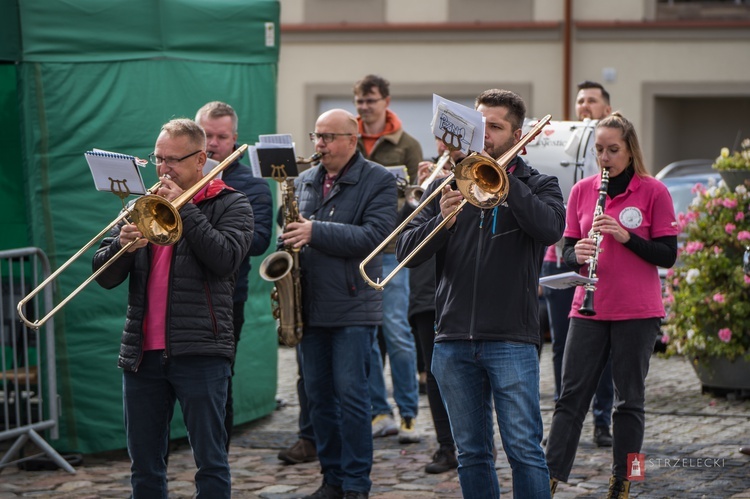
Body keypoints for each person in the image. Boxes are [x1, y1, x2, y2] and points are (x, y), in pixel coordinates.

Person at [397, 89, 565, 498]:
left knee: (524, 450)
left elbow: (550, 229)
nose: (484, 134)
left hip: (510, 338)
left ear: (517, 134)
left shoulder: (540, 184)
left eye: (495, 127)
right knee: (471, 453)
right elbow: (406, 253)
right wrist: (443, 221)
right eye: (479, 125)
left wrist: (504, 182)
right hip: (452, 339)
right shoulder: (445, 185)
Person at [93, 118, 253, 498]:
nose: (163, 169)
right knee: (144, 467)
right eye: (158, 159)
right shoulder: (141, 206)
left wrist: (185, 210)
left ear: (200, 160)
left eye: (173, 161)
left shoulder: (231, 202)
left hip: (200, 350)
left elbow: (226, 259)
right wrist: (122, 247)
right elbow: (103, 275)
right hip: (141, 354)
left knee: (210, 462)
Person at [545, 112, 678, 498]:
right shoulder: (582, 190)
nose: (605, 157)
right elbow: (566, 248)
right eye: (600, 150)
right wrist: (576, 253)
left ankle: (627, 478)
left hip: (637, 311)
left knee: (630, 401)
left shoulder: (653, 191)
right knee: (570, 398)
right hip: (588, 307)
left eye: (613, 150)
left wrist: (625, 236)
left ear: (630, 150)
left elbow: (667, 255)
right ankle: (549, 475)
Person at [282, 109, 397, 499]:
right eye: (317, 136)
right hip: (310, 305)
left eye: (329, 137)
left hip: (353, 305)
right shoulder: (303, 181)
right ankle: (331, 479)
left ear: (353, 139)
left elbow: (377, 236)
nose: (320, 145)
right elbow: (294, 232)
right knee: (317, 398)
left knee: (352, 399)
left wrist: (315, 231)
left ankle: (355, 484)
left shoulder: (379, 179)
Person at [194, 101, 273, 450]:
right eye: (206, 135)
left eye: (221, 136)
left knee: (218, 381)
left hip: (226, 297)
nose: (212, 144)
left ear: (235, 139)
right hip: (177, 293)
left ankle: (216, 459)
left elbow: (257, 242)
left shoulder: (251, 185)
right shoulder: (176, 178)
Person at [541, 80, 615, 448]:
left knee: (602, 345)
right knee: (561, 344)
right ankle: (564, 415)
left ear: (607, 109)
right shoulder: (564, 144)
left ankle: (603, 420)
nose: (585, 106)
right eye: (580, 101)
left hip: (602, 266)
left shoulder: (612, 152)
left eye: (592, 101)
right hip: (558, 257)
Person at [353, 74, 423, 443]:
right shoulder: (350, 138)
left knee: (396, 332)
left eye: (371, 101)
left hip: (392, 252)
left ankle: (409, 413)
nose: (365, 107)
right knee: (365, 336)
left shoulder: (407, 144)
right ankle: (380, 411)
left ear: (386, 102)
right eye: (360, 102)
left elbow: (415, 201)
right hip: (356, 249)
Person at [407, 138, 463, 474]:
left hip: (458, 287)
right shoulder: (431, 178)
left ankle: (469, 443)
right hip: (426, 290)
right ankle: (446, 446)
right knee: (434, 374)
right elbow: (405, 234)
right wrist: (424, 190)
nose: (446, 148)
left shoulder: (479, 174)